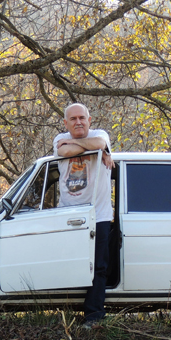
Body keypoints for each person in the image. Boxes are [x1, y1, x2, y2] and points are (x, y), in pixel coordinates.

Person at [53, 103, 113, 327]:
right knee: (70, 264)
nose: (78, 122)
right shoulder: (59, 139)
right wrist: (97, 151)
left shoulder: (100, 135)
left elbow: (99, 143)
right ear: (66, 123)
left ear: (90, 120)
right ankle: (64, 313)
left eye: (82, 118)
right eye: (73, 119)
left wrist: (77, 143)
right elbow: (64, 152)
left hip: (100, 215)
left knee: (99, 267)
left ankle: (94, 316)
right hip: (69, 216)